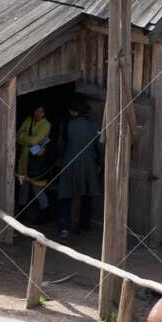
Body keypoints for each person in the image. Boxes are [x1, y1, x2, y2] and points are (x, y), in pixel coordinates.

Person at [55, 98, 102, 237]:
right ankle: (84, 226)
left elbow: (60, 146)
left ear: (73, 112)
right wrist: (99, 163)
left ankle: (64, 227)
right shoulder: (94, 126)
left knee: (65, 195)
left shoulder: (66, 124)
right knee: (87, 196)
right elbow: (99, 147)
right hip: (89, 165)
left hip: (70, 164)